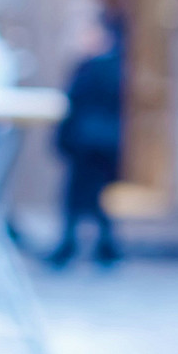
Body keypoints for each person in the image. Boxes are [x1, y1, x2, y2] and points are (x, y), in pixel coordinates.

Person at [47, 19, 124, 267]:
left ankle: (78, 247)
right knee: (88, 198)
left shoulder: (103, 69)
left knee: (84, 197)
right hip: (89, 143)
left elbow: (78, 102)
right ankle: (103, 247)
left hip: (93, 144)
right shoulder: (97, 67)